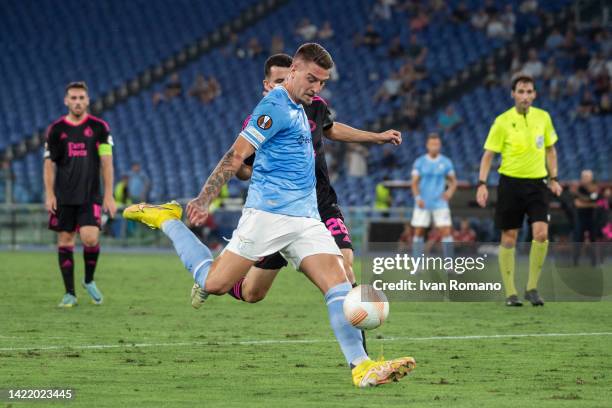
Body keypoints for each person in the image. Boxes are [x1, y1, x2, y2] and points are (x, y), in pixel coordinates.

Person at [124, 43, 415, 387]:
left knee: (339, 284)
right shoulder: (273, 106)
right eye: (311, 79)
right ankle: (167, 219)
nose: (316, 87)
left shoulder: (306, 108)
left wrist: (374, 138)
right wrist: (203, 199)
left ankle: (362, 366)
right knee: (214, 283)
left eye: (322, 82)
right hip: (266, 216)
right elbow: (237, 156)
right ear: (293, 71)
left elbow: (329, 131)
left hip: (307, 218)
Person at [227, 53, 401, 305]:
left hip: (320, 203)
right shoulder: (263, 119)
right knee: (253, 293)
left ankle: (358, 337)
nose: (284, 83)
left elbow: (330, 128)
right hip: (279, 212)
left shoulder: (315, 105)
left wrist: (377, 137)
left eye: (287, 77)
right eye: (277, 80)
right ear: (266, 85)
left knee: (345, 267)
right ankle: (221, 281)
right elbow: (242, 168)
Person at [476, 73, 562, 307]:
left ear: (534, 94)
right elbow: (488, 155)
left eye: (529, 91)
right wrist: (482, 184)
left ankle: (532, 288)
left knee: (541, 234)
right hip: (510, 183)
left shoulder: (543, 118)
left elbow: (551, 150)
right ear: (513, 94)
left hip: (537, 184)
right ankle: (511, 292)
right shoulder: (502, 121)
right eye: (521, 92)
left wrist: (554, 178)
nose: (525, 96)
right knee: (509, 237)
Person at [44, 81, 117, 307]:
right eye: (73, 98)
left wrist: (109, 195)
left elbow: (107, 162)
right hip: (64, 196)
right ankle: (70, 294)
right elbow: (48, 164)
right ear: (66, 101)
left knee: (90, 238)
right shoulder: (56, 129)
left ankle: (88, 280)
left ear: (87, 100)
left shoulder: (99, 128)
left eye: (81, 98)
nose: (77, 102)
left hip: (90, 195)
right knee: (65, 240)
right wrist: (49, 194)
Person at [410, 133, 457, 262]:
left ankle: (450, 264)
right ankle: (417, 264)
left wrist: (449, 193)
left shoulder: (446, 162)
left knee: (446, 232)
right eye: (432, 144)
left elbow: (453, 181)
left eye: (437, 144)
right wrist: (418, 198)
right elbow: (414, 183)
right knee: (419, 232)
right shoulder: (420, 162)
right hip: (423, 203)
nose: (434, 147)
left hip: (440, 203)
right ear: (427, 145)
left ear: (440, 145)